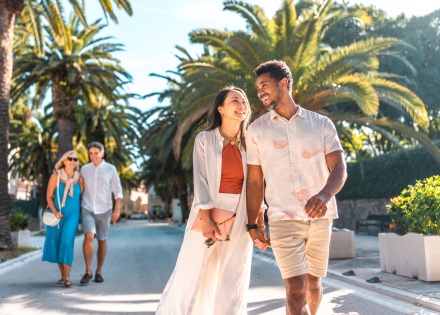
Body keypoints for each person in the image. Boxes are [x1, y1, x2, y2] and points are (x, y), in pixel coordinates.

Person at [245, 60, 347, 315]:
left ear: (283, 83)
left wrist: (324, 195)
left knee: (313, 282)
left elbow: (340, 168)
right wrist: (253, 223)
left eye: (264, 85)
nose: (259, 92)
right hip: (281, 217)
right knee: (295, 288)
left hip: (320, 216)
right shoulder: (256, 131)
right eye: (258, 88)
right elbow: (256, 181)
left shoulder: (321, 124)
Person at [156, 86, 264, 315]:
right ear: (221, 109)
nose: (241, 105)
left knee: (233, 279)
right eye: (235, 101)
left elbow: (258, 184)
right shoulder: (204, 140)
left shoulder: (252, 142)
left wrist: (259, 223)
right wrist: (206, 219)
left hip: (242, 215)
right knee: (193, 274)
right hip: (208, 213)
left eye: (244, 101)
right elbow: (201, 181)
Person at [79, 141, 123, 284]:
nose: (93, 156)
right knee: (89, 236)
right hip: (88, 208)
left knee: (102, 240)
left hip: (105, 210)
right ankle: (88, 271)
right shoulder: (84, 169)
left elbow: (117, 191)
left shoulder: (111, 169)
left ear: (102, 153)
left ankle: (99, 271)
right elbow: (79, 187)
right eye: (91, 153)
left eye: (96, 153)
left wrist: (117, 209)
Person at [42, 150, 84, 288]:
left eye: (75, 159)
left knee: (67, 241)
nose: (72, 161)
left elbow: (81, 196)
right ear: (64, 160)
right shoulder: (56, 176)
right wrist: (55, 211)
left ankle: (67, 277)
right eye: (70, 158)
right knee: (57, 243)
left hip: (72, 215)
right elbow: (48, 196)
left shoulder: (80, 178)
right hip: (57, 215)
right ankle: (63, 275)